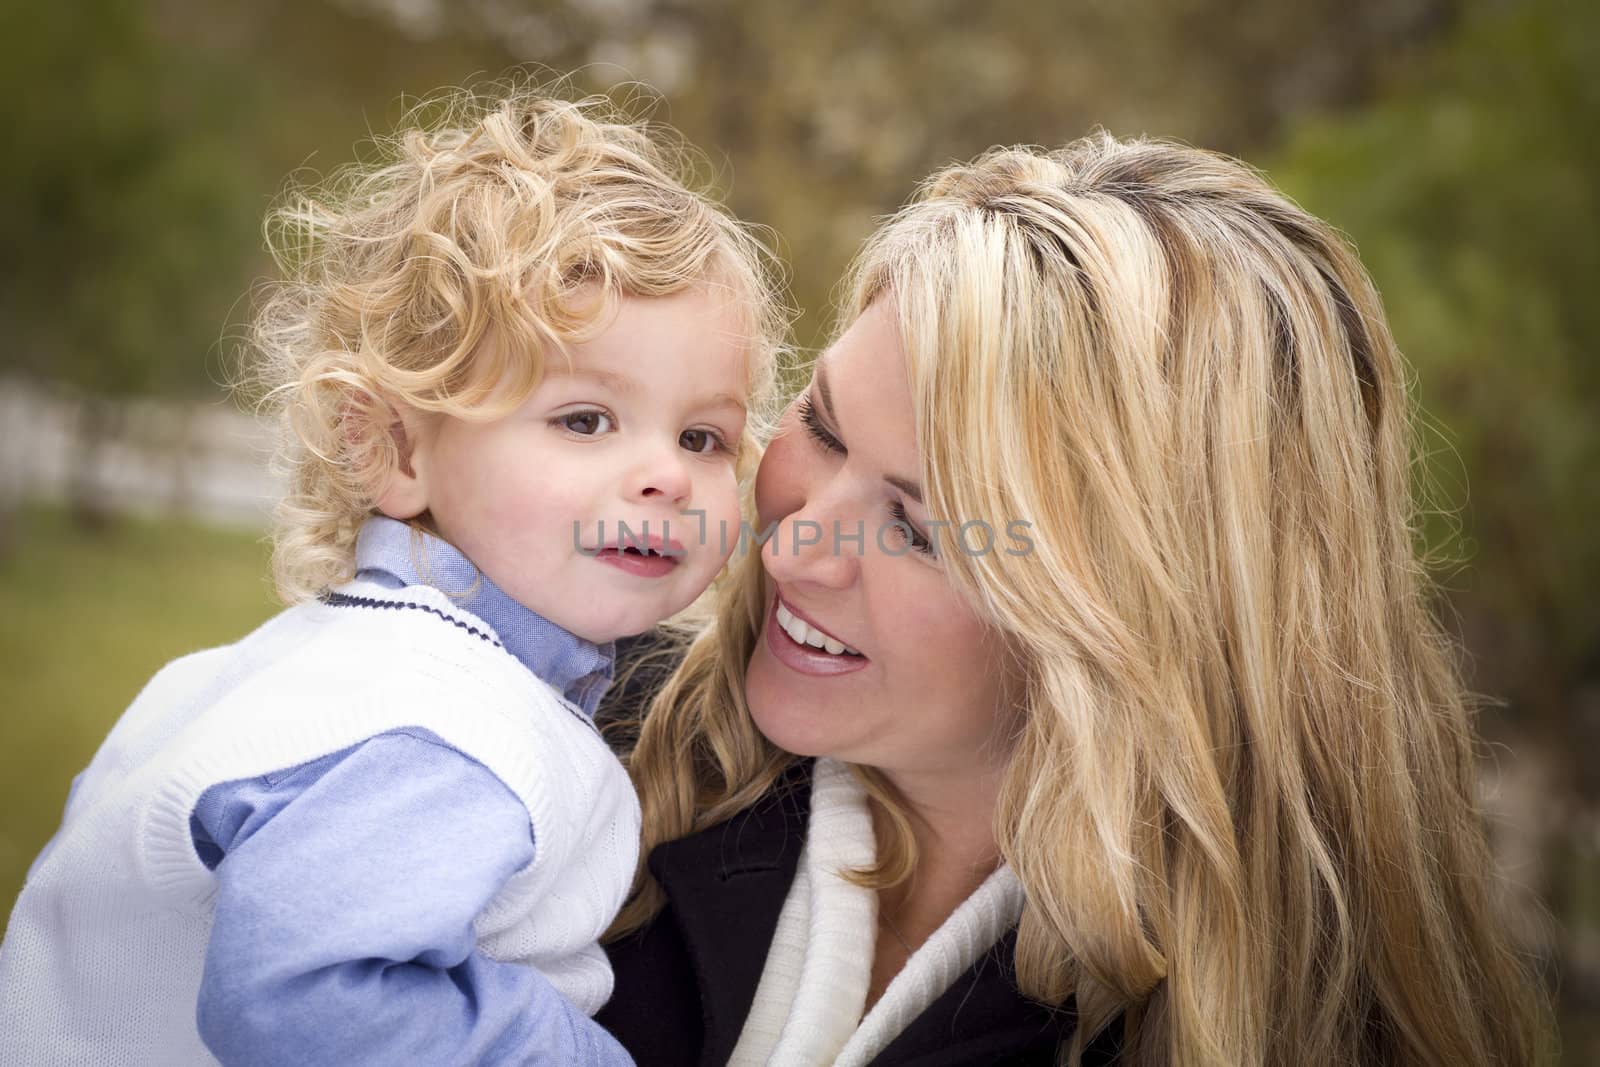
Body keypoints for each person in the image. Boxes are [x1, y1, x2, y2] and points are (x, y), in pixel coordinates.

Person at [596, 134, 1555, 1064]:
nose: (799, 546)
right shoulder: (558, 736)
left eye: (923, 531)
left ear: (1142, 613)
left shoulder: (1258, 1030)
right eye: (822, 424)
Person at [0, 85, 783, 1065]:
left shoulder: (306, 666)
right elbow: (307, 991)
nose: (666, 472)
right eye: (583, 419)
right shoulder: (447, 727)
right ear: (398, 449)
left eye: (703, 434)